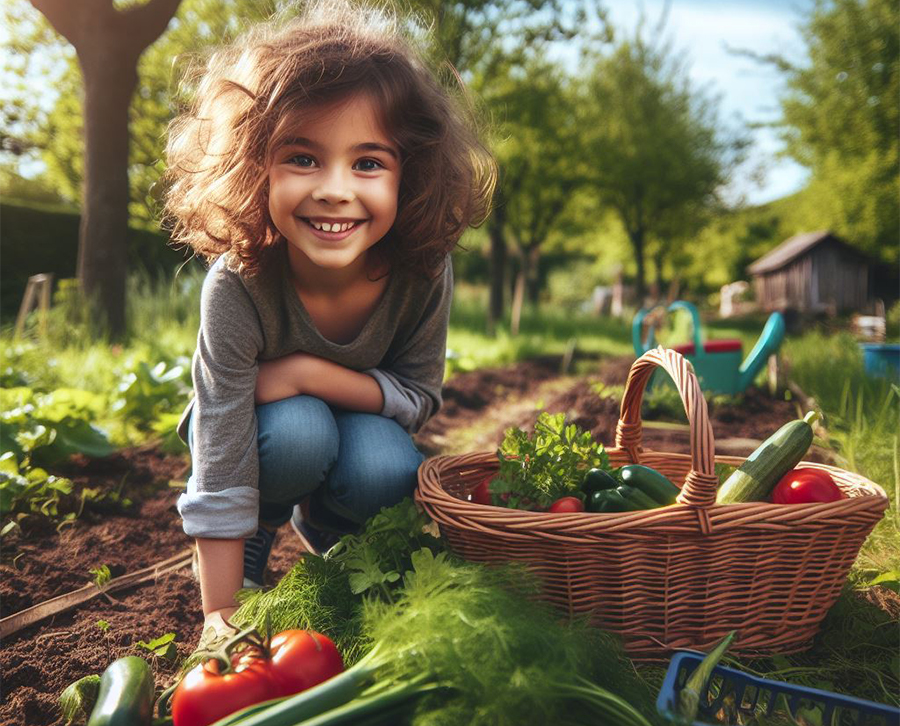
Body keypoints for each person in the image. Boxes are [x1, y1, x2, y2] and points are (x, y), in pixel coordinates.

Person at [162, 0, 496, 635]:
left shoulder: (422, 269)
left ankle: (334, 537)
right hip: (271, 441)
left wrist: (305, 373)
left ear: (411, 175)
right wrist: (218, 617)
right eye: (303, 158)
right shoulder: (239, 283)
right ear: (254, 166)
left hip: (364, 431)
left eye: (368, 163)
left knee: (386, 468)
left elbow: (420, 398)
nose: (335, 189)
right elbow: (220, 450)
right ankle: (260, 537)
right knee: (298, 433)